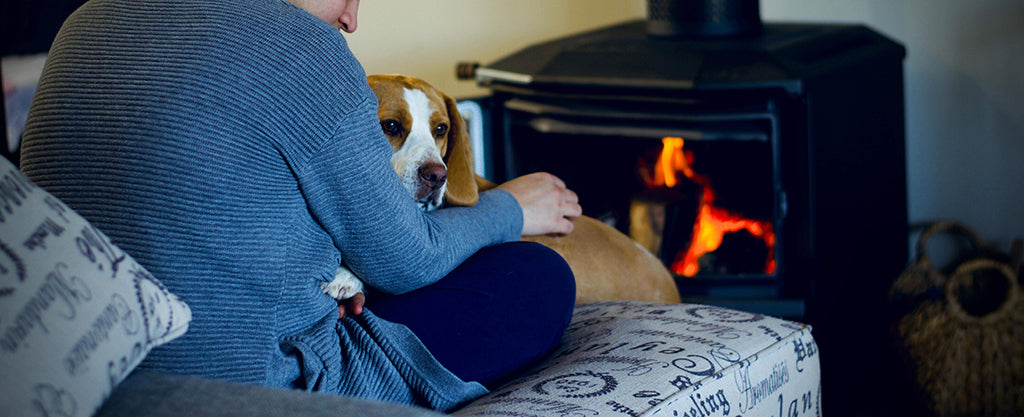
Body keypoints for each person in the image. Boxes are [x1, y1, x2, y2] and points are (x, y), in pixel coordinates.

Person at [19, 0, 580, 411]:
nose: (352, 19)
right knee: (535, 277)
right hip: (263, 383)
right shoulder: (301, 46)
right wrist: (509, 206)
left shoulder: (85, 20)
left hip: (93, 367)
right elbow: (410, 262)